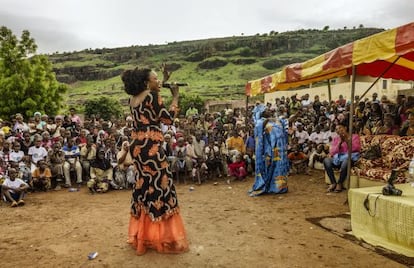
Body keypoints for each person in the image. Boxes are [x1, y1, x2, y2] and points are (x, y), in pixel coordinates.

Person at [122, 67, 188, 255]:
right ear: (146, 82)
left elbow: (148, 115)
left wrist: (162, 84)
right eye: (155, 79)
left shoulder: (133, 99)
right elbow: (168, 120)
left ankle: (143, 236)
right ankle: (165, 237)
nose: (158, 82)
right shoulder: (151, 97)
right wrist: (175, 96)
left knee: (144, 186)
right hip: (151, 146)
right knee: (161, 186)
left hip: (138, 146)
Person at [248, 106, 289, 196]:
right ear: (261, 113)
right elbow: (259, 135)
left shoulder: (276, 120)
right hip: (270, 150)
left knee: (280, 167)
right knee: (270, 167)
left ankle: (281, 187)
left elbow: (285, 123)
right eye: (266, 110)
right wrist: (267, 120)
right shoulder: (260, 122)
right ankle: (270, 186)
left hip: (281, 150)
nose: (269, 110)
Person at [323, 122, 361, 193]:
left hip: (349, 158)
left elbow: (356, 148)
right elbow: (332, 152)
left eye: (340, 128)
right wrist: (339, 143)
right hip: (338, 159)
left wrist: (346, 141)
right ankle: (333, 182)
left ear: (345, 128)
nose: (338, 130)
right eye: (337, 129)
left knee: (346, 161)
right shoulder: (336, 139)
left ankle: (339, 183)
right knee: (326, 160)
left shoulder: (354, 136)